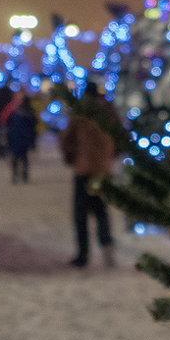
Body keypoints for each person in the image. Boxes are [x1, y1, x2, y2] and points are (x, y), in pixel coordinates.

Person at [59, 81, 120, 268]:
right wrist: (110, 156)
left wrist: (71, 158)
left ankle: (83, 254)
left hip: (84, 169)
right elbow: (121, 136)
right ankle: (107, 244)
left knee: (81, 213)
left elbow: (67, 139)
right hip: (103, 169)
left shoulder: (80, 113)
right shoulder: (109, 111)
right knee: (101, 210)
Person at [4, 92, 38, 183]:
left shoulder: (16, 112)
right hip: (25, 139)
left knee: (15, 157)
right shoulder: (31, 113)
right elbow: (34, 127)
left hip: (16, 138)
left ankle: (15, 175)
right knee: (24, 157)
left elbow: (8, 124)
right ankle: (24, 174)